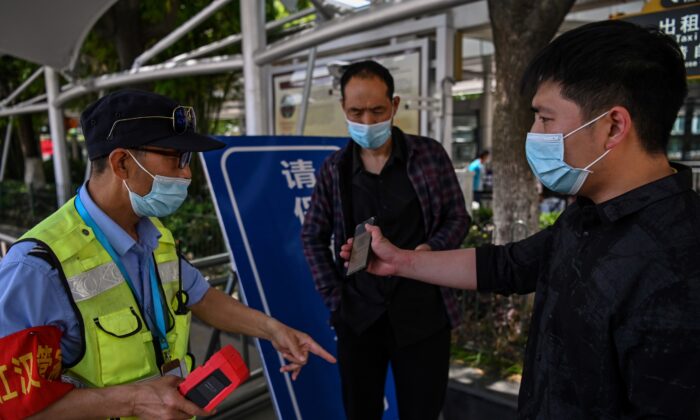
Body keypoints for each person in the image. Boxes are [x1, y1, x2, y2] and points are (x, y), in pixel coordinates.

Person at [339, 21, 700, 418]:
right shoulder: (587, 215)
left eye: (545, 119)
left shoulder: (679, 267)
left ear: (613, 126)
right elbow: (508, 266)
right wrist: (401, 261)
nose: (533, 132)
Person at [0, 89, 335, 419]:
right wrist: (131, 402)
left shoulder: (155, 234)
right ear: (122, 163)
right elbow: (11, 403)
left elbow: (200, 297)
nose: (187, 173)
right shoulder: (36, 267)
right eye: (177, 158)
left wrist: (272, 329)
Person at [301, 60, 469, 420]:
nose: (366, 121)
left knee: (423, 410)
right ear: (343, 110)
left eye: (377, 110)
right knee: (360, 410)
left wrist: (427, 253)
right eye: (356, 111)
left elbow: (458, 216)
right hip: (359, 316)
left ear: (394, 106)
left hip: (424, 313)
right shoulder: (335, 170)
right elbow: (313, 235)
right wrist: (335, 298)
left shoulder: (428, 156)